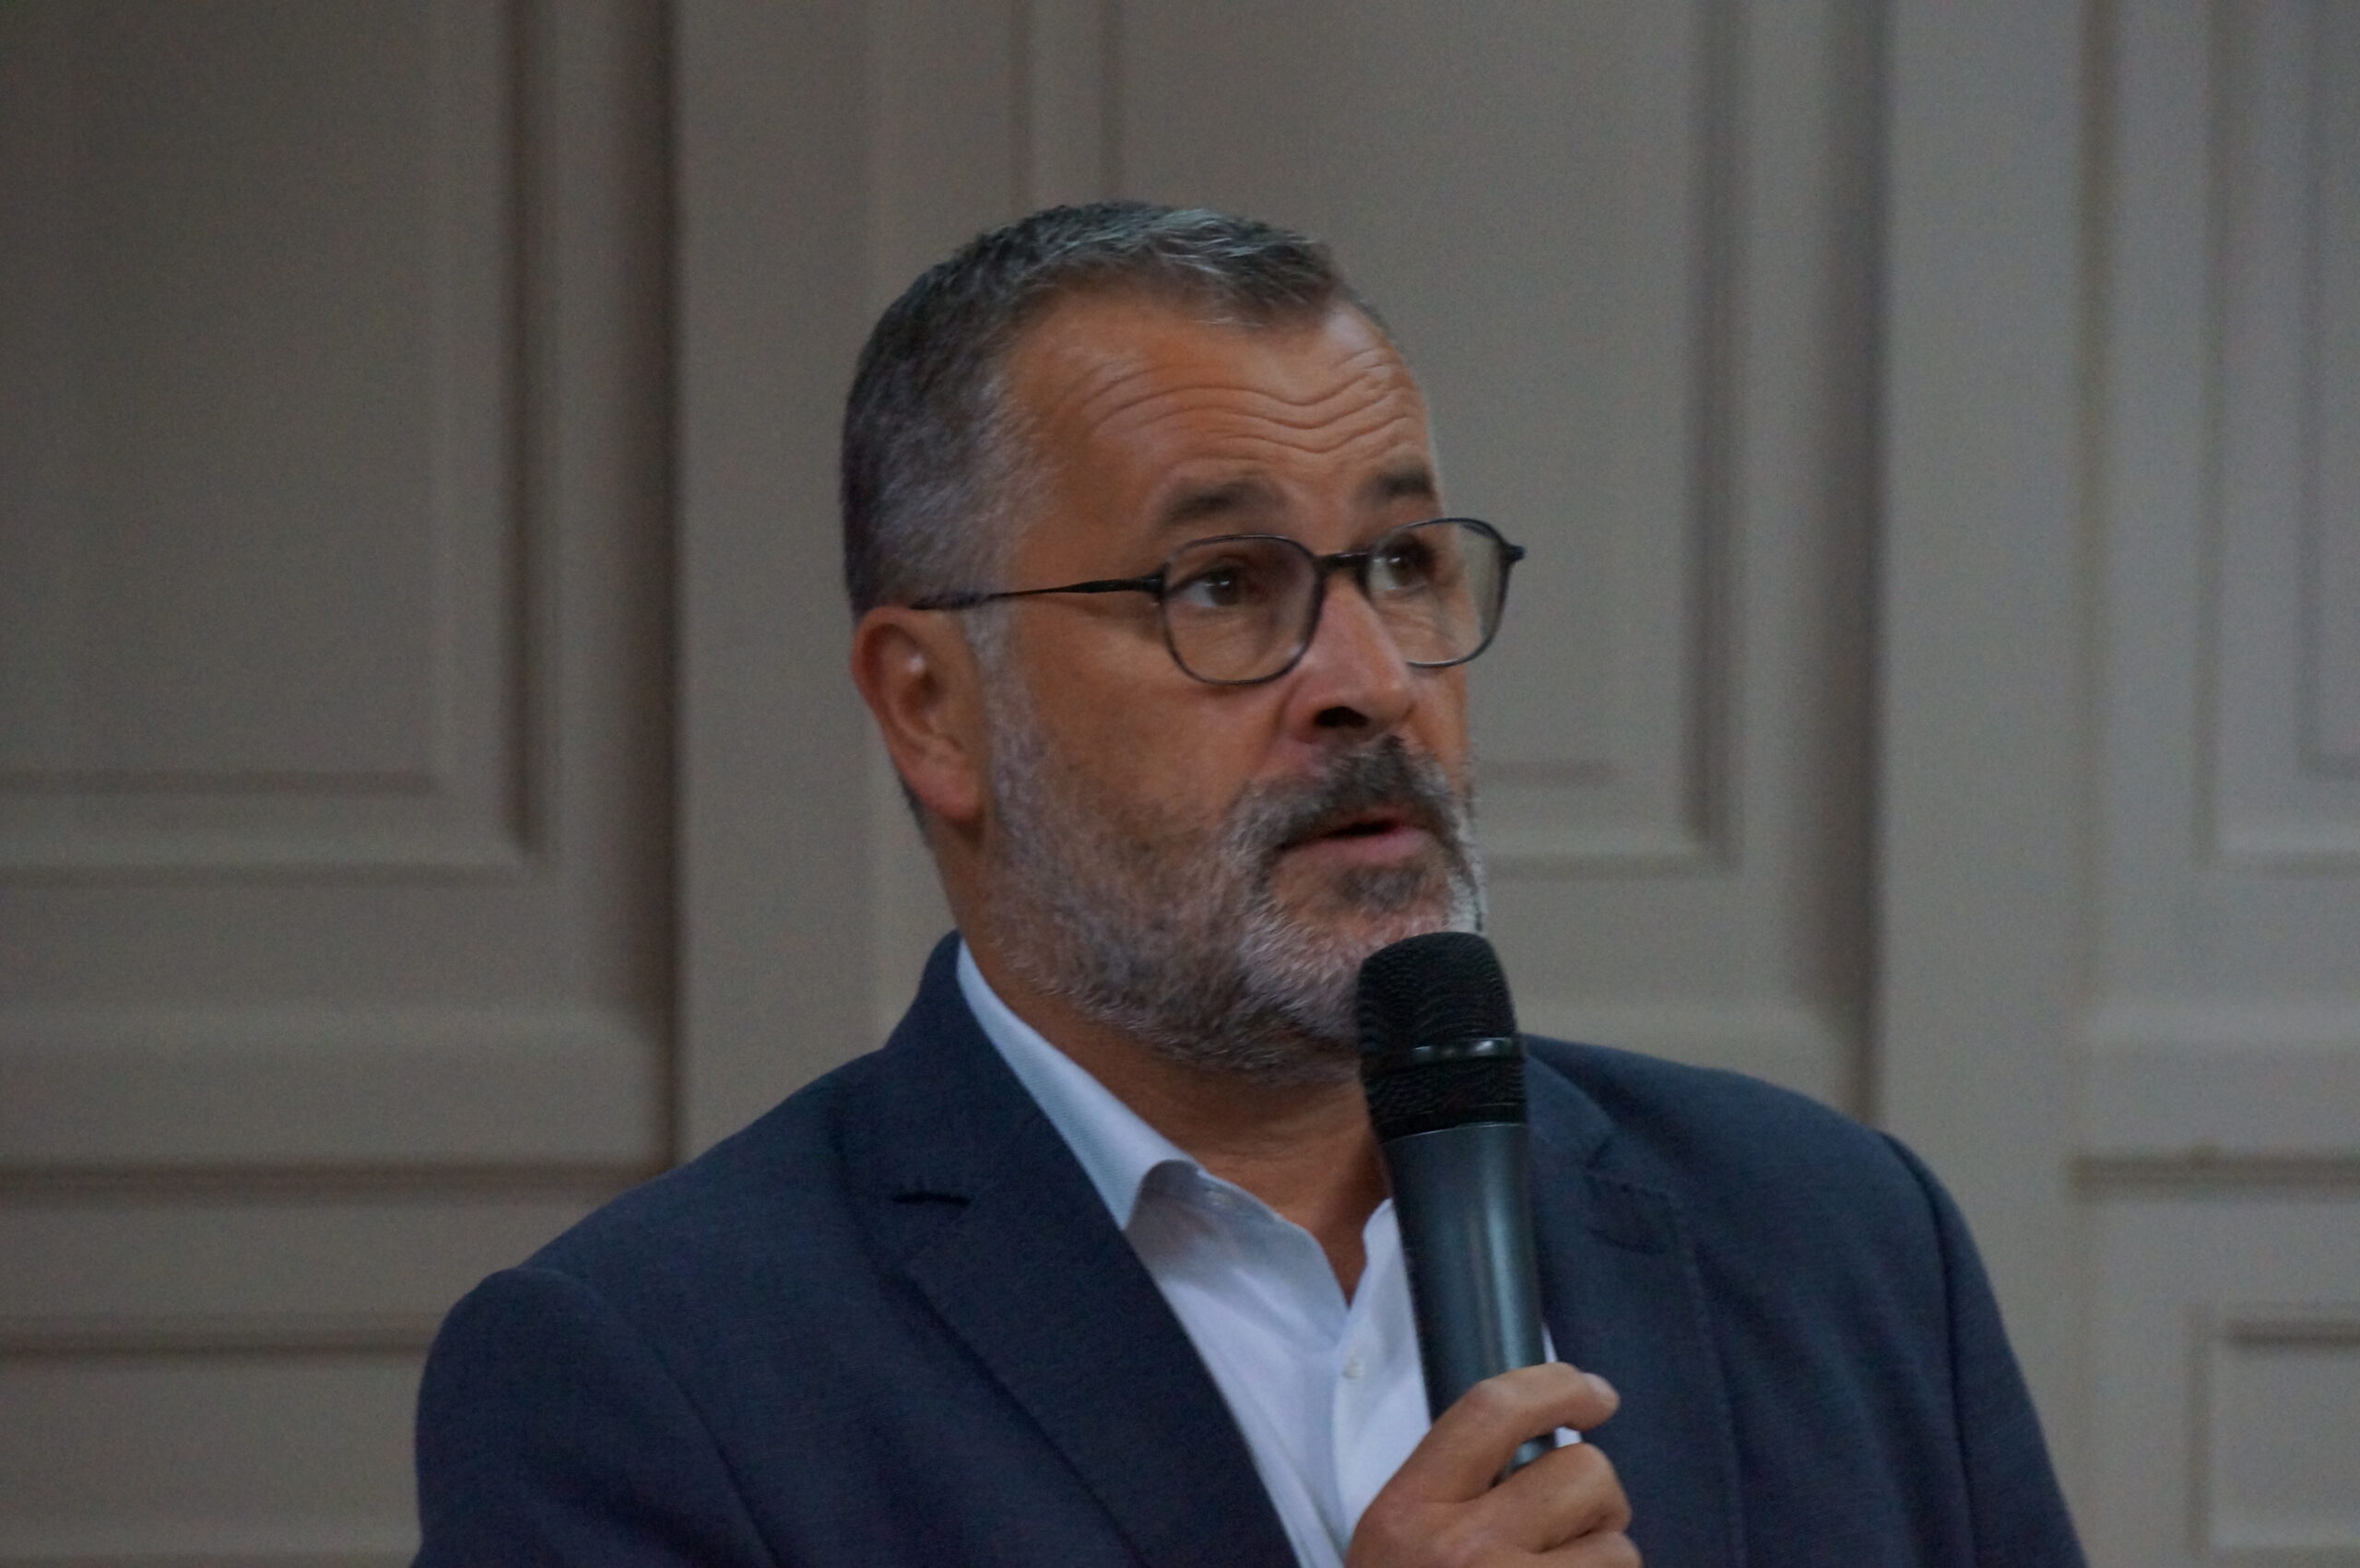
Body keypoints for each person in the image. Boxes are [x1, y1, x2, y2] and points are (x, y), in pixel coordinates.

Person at [412, 203, 2084, 1567]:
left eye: (1405, 564)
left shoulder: (1838, 1238)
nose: (1373, 679)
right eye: (1222, 584)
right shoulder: (647, 1378)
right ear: (933, 705)